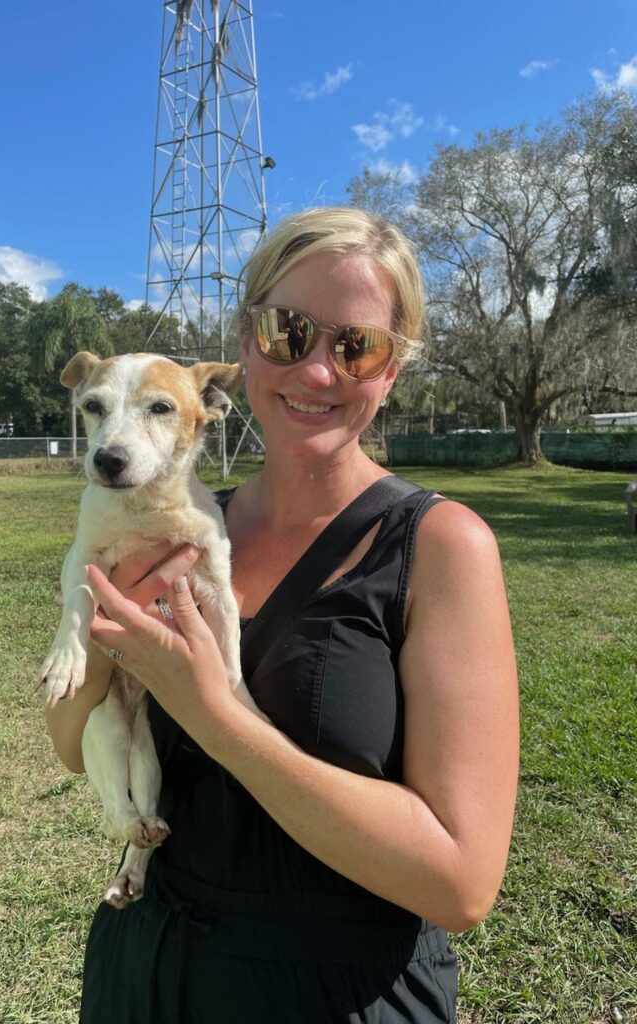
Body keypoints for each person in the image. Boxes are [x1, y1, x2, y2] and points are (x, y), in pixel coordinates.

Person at [45, 206, 519, 1023]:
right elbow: (69, 746)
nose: (317, 372)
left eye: (357, 345)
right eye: (288, 330)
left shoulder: (440, 546)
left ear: (392, 370)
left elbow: (461, 885)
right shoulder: (183, 524)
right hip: (143, 972)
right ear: (244, 343)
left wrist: (216, 713)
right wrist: (97, 640)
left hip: (330, 995)